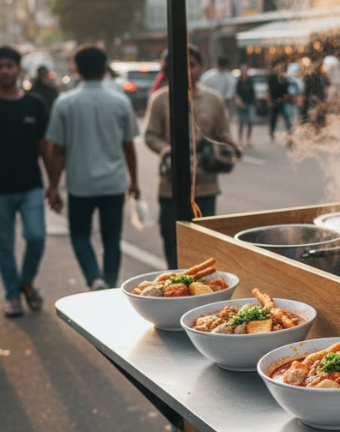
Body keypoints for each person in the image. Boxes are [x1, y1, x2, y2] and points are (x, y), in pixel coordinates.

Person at [45, 45, 140, 290]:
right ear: (104, 69)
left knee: (79, 234)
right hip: (113, 183)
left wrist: (53, 186)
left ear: (76, 69)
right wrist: (134, 181)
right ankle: (109, 283)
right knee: (112, 240)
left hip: (80, 184)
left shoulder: (65, 103)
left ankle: (94, 277)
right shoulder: (120, 102)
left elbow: (57, 150)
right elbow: (128, 146)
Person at [144, 45, 238, 266]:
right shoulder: (159, 100)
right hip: (171, 189)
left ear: (201, 67)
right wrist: (166, 149)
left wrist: (230, 145)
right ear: (167, 70)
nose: (186, 71)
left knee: (205, 245)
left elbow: (223, 132)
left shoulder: (213, 100)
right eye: (178, 66)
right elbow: (150, 136)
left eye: (191, 65)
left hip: (205, 186)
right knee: (173, 243)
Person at [0, 46, 50, 317]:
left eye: (9, 65)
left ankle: (27, 281)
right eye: (1, 66)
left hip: (31, 185)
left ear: (18, 69)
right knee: (4, 247)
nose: (5, 70)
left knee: (36, 236)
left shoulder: (34, 103)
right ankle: (13, 295)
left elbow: (46, 146)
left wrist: (54, 184)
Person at [267, 59, 291, 143]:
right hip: (274, 101)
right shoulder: (272, 77)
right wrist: (270, 101)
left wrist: (285, 98)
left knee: (287, 119)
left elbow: (287, 91)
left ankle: (290, 136)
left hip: (283, 102)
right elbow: (269, 90)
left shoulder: (284, 78)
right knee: (273, 119)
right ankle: (272, 134)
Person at [235, 65, 256, 148]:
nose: (244, 72)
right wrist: (238, 100)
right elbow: (236, 92)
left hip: (250, 103)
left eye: (245, 71)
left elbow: (253, 92)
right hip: (241, 104)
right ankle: (240, 140)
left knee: (251, 121)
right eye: (243, 71)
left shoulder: (250, 80)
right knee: (241, 122)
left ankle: (248, 140)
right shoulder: (238, 81)